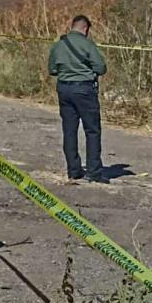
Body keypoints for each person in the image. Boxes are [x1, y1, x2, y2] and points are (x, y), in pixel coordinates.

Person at [48, 15, 109, 184]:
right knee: (92, 130)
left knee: (69, 130)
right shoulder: (88, 44)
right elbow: (101, 67)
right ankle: (94, 172)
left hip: (64, 89)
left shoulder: (58, 45)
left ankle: (73, 170)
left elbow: (52, 69)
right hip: (84, 90)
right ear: (85, 29)